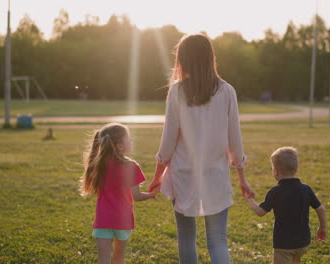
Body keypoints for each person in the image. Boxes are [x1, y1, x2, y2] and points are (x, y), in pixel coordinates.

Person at [147, 33, 254, 264]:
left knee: (186, 238)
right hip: (216, 176)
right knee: (218, 240)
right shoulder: (227, 91)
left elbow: (168, 141)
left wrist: (157, 176)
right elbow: (236, 142)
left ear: (183, 59)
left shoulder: (177, 91)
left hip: (183, 176)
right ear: (210, 57)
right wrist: (242, 178)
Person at [80, 123, 158, 264]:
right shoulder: (132, 166)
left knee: (103, 259)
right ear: (120, 146)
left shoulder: (98, 165)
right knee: (118, 258)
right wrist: (151, 194)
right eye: (128, 138)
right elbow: (137, 196)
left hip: (103, 219)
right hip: (123, 220)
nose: (132, 140)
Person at [243, 146, 327, 264]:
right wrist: (322, 227)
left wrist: (249, 199)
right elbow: (321, 209)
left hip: (283, 243)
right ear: (296, 170)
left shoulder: (275, 191)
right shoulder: (306, 189)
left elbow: (260, 212)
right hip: (302, 242)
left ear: (275, 171)